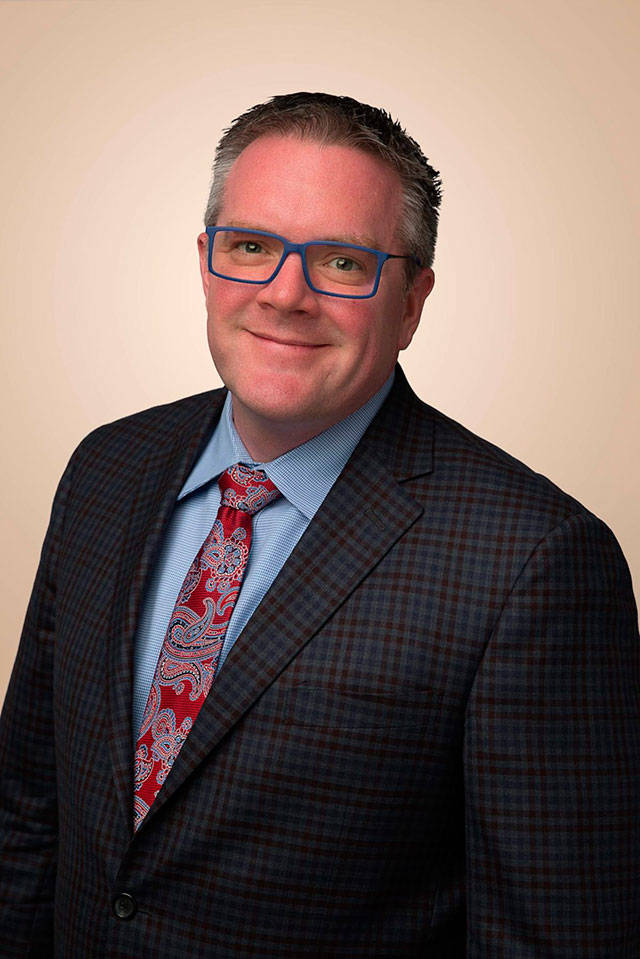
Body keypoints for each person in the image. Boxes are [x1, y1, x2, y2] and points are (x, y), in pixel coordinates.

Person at [0, 92, 637, 958]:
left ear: (411, 302)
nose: (285, 294)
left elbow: (554, 934)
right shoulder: (106, 469)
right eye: (251, 247)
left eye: (342, 261)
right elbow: (26, 814)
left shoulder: (534, 560)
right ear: (206, 262)